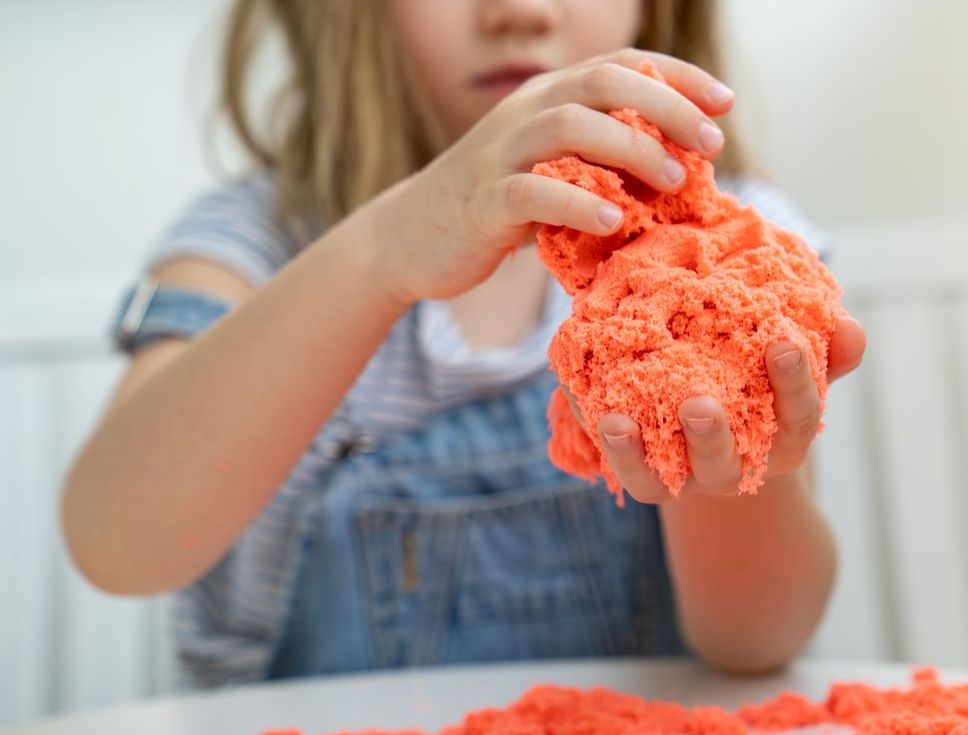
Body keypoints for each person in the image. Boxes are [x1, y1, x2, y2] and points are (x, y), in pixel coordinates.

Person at [61, 0, 866, 688]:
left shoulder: (742, 251)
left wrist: (712, 454)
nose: (517, 9)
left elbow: (756, 643)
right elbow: (115, 546)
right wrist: (379, 255)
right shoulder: (256, 244)